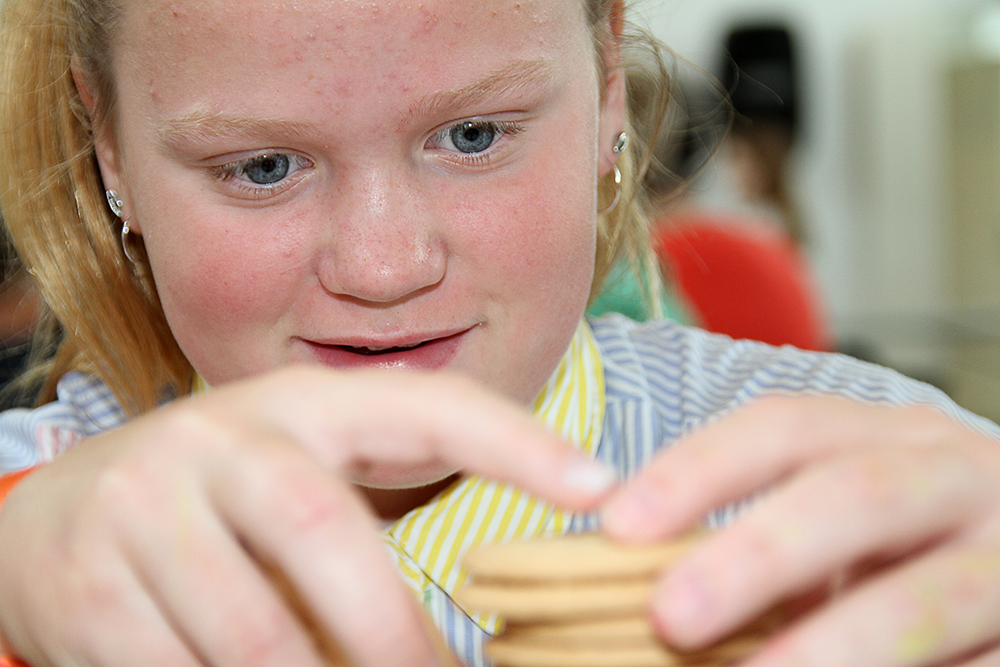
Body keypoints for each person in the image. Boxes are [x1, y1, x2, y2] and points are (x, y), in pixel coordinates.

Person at [0, 2, 998, 667]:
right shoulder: (33, 518)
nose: (384, 267)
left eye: (473, 136)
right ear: (110, 147)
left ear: (606, 82)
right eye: (262, 167)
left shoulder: (904, 497)